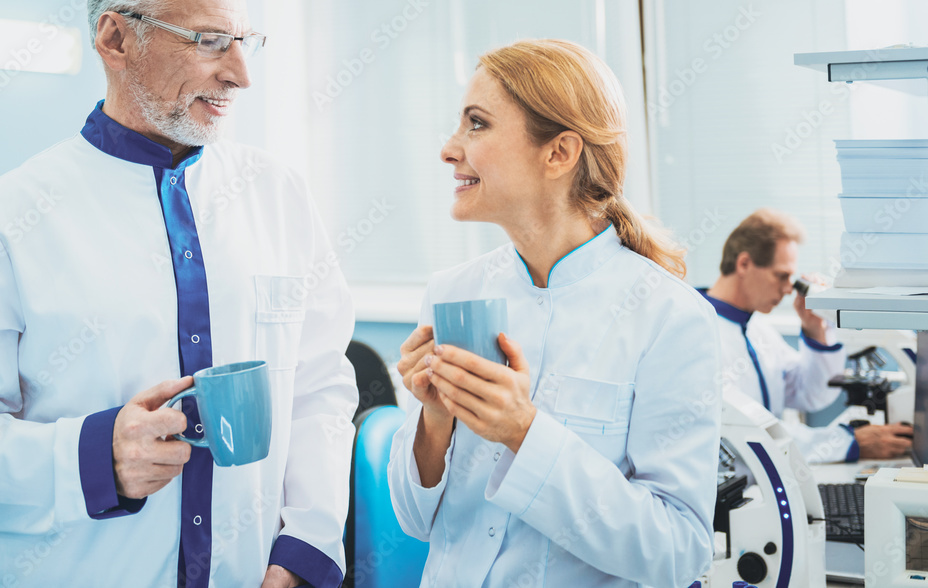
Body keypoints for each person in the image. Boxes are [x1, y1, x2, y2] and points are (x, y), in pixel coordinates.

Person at [0, 0, 357, 588]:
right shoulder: (2, 219)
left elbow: (320, 390)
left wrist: (305, 548)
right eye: (210, 40)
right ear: (116, 38)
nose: (240, 74)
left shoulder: (281, 197)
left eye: (245, 42)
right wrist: (95, 459)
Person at [388, 39, 722, 587]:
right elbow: (413, 520)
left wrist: (524, 432)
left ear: (559, 154)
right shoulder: (451, 293)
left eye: (477, 124)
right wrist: (435, 419)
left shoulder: (670, 318)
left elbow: (677, 552)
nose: (449, 149)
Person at [703, 208, 912, 462]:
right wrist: (844, 442)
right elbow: (745, 431)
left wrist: (816, 329)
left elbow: (809, 394)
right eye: (781, 276)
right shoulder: (701, 333)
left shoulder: (758, 330)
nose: (789, 289)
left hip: (769, 476)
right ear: (744, 263)